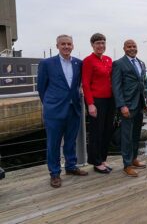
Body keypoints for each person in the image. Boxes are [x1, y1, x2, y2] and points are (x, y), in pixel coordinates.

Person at [37, 34, 88, 188]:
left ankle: (71, 166)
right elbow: (41, 87)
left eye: (69, 44)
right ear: (57, 45)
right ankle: (54, 173)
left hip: (73, 109)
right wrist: (49, 103)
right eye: (63, 44)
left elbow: (78, 84)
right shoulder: (47, 63)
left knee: (71, 140)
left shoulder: (78, 63)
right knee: (53, 143)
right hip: (54, 110)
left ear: (73, 46)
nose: (66, 46)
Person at [112, 39, 147, 177]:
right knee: (126, 136)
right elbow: (116, 86)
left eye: (134, 46)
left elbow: (142, 84)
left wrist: (145, 104)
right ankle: (127, 165)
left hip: (139, 104)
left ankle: (133, 159)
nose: (132, 48)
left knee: (135, 134)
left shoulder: (141, 63)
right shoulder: (119, 64)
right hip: (127, 105)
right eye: (129, 46)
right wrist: (121, 105)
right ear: (124, 48)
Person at [82, 33, 114, 174]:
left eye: (103, 43)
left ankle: (102, 158)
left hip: (110, 100)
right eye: (98, 43)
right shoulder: (88, 61)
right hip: (97, 101)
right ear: (92, 45)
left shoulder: (108, 59)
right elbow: (86, 84)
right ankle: (96, 161)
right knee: (96, 132)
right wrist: (90, 104)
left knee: (107, 131)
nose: (101, 46)